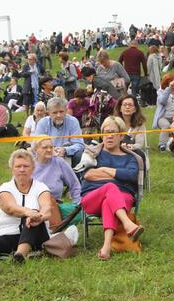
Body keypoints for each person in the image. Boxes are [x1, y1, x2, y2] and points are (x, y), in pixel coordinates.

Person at [0, 150, 53, 272]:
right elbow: (10, 207)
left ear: (33, 168)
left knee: (32, 217)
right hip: (10, 235)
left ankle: (20, 254)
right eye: (18, 166)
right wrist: (27, 212)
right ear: (12, 169)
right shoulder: (5, 188)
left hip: (37, 236)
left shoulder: (41, 187)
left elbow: (47, 208)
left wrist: (38, 216)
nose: (22, 169)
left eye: (26, 166)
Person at [81, 117, 144, 260]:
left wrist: (104, 170)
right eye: (106, 132)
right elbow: (88, 175)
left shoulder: (131, 158)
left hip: (122, 199)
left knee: (108, 200)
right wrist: (117, 177)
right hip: (92, 197)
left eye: (113, 132)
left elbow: (131, 175)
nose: (109, 136)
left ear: (121, 136)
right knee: (110, 187)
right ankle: (128, 224)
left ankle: (106, 247)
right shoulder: (92, 154)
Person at [31, 137, 81, 227]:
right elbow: (15, 185)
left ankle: (52, 230)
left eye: (51, 147)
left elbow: (74, 184)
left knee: (48, 198)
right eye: (45, 147)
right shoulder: (29, 165)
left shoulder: (59, 162)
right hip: (31, 203)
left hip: (53, 204)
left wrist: (77, 204)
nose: (49, 150)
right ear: (35, 150)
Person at [33, 97, 85, 167]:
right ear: (48, 112)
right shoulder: (42, 123)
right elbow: (37, 144)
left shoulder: (73, 121)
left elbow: (79, 144)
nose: (59, 115)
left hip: (67, 155)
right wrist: (51, 150)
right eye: (54, 112)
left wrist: (65, 150)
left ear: (66, 110)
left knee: (79, 154)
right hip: (47, 153)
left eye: (61, 111)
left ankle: (75, 173)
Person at [153, 74, 174, 152]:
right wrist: (168, 89)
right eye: (172, 82)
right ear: (167, 83)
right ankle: (162, 145)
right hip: (163, 117)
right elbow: (162, 101)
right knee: (166, 125)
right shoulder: (161, 92)